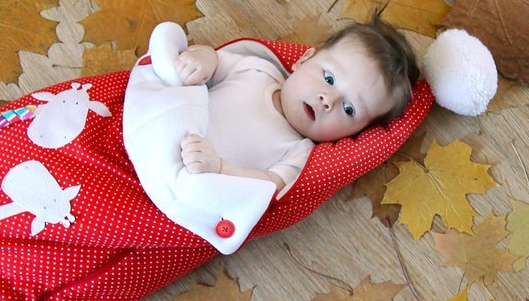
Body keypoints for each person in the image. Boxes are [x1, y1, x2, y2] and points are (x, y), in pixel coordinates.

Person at [175, 17, 418, 195]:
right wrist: (201, 58)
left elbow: (266, 187)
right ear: (303, 60)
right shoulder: (256, 70)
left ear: (355, 133)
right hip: (163, 125)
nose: (327, 100)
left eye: (349, 109)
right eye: (329, 78)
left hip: (184, 184)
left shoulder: (300, 154)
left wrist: (219, 167)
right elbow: (213, 60)